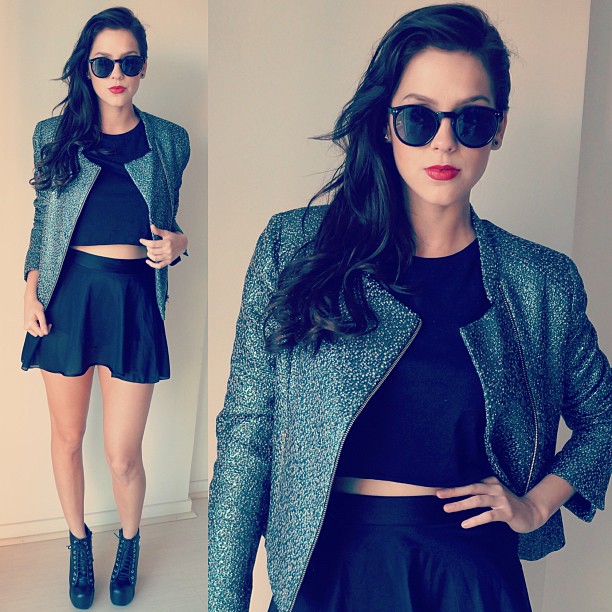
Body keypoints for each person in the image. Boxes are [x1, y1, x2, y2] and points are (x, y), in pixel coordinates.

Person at [208, 4, 611, 612]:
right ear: (386, 123)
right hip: (331, 571)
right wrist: (225, 602)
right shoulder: (294, 247)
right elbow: (248, 437)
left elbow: (604, 416)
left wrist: (535, 505)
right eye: (419, 117)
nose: (444, 140)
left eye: (471, 119)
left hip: (472, 577)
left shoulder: (540, 282)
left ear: (499, 128)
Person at [21, 7, 190, 609]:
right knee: (68, 438)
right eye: (103, 63)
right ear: (86, 69)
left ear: (143, 68)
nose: (116, 74)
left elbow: (170, 225)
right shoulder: (53, 134)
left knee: (122, 455)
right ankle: (77, 542)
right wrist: (29, 291)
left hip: (132, 298)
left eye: (128, 62)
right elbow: (43, 224)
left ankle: (130, 541)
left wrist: (180, 244)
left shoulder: (170, 140)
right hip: (68, 295)